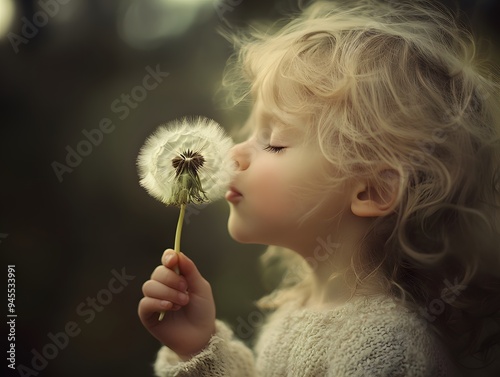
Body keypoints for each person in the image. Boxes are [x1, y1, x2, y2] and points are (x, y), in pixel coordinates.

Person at [138, 0, 500, 375]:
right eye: (249, 134)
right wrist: (196, 348)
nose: (236, 152)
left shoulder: (385, 349)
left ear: (372, 190)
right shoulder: (295, 312)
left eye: (274, 142)